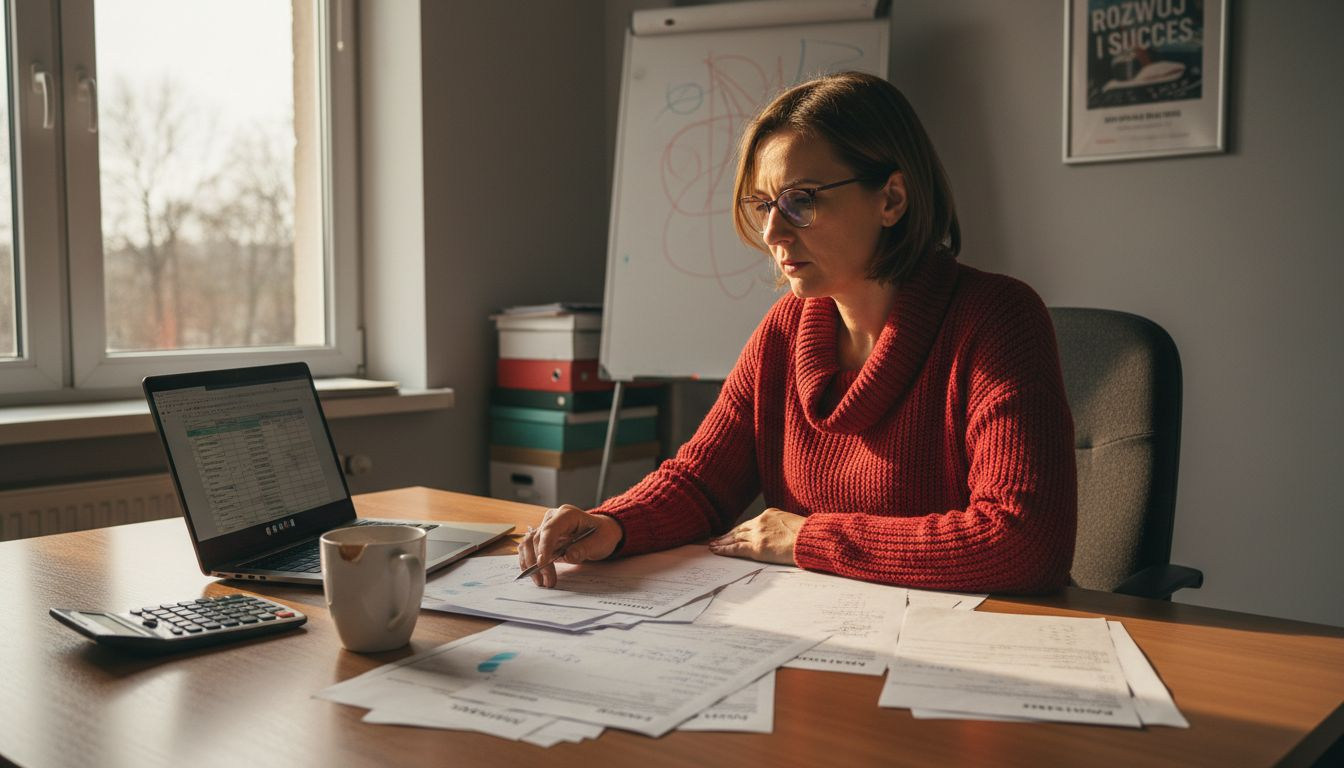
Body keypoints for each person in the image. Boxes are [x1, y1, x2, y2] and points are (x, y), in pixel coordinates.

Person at [518, 71, 1076, 594]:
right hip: (816, 633)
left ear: (892, 199)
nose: (771, 231)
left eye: (801, 200)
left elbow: (1024, 542)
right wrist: (613, 522)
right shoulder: (785, 332)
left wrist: (810, 538)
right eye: (763, 204)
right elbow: (702, 483)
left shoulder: (997, 318)